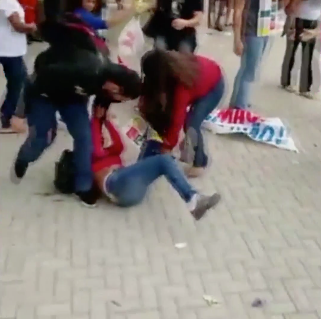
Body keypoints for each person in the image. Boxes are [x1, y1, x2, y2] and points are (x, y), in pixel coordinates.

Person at [10, 26, 141, 207]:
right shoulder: (86, 70)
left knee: (84, 138)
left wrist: (103, 118)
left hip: (72, 97)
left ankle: (83, 186)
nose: (120, 101)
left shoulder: (109, 82)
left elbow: (102, 103)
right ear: (115, 87)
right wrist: (19, 113)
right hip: (44, 92)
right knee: (45, 137)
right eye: (122, 98)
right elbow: (35, 79)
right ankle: (24, 158)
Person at [91, 103, 221, 219]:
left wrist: (107, 122)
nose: (103, 135)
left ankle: (175, 161)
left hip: (130, 185)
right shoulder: (90, 150)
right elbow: (97, 151)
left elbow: (119, 146)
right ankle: (192, 199)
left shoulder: (108, 147)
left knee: (154, 143)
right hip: (115, 186)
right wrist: (96, 120)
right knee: (162, 161)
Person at [139, 50, 225, 178]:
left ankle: (200, 163)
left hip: (213, 86)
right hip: (201, 79)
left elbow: (177, 119)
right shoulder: (168, 66)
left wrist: (168, 146)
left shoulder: (181, 85)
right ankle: (189, 147)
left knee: (191, 124)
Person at [0, 0, 36, 133]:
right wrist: (32, 27)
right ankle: (7, 119)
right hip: (9, 51)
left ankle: (8, 113)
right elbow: (17, 25)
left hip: (9, 49)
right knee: (18, 84)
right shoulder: (7, 2)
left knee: (20, 82)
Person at [229, 0, 271, 109]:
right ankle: (240, 106)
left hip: (265, 29)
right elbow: (238, 11)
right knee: (249, 71)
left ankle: (238, 101)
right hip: (251, 31)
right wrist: (237, 39)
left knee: (249, 69)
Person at [280, 0, 321, 99]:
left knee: (308, 55)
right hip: (298, 19)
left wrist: (317, 31)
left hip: (314, 21)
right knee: (291, 51)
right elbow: (292, 5)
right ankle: (286, 82)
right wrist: (291, 24)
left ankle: (305, 88)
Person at [66, 0, 135, 31]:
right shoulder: (82, 15)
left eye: (93, 2)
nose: (91, 5)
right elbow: (106, 24)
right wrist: (127, 12)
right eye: (89, 1)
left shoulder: (82, 12)